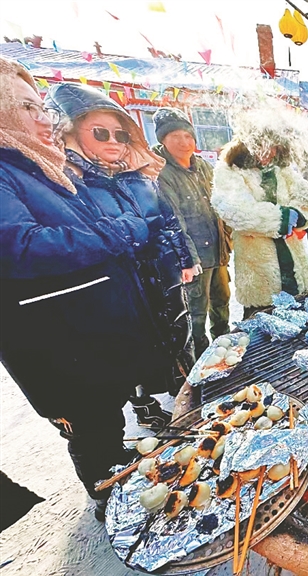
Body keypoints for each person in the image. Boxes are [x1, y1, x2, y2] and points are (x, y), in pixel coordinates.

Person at [0, 57, 160, 519]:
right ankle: (108, 498)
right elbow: (20, 246)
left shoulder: (37, 165)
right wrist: (119, 233)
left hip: (87, 333)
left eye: (42, 108)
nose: (43, 118)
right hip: (54, 341)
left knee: (105, 414)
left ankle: (115, 467)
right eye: (27, 107)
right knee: (88, 425)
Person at [44, 82, 195, 426]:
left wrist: (183, 260)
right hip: (118, 286)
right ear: (69, 131)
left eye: (121, 135)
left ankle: (180, 392)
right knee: (129, 348)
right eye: (100, 133)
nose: (113, 142)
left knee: (170, 337)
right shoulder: (67, 182)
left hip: (159, 277)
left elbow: (168, 220)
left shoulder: (139, 178)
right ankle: (143, 406)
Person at [152, 108, 232, 357]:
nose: (184, 142)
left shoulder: (204, 166)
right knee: (196, 312)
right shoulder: (162, 173)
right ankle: (202, 360)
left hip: (217, 251)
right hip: (194, 258)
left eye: (188, 136)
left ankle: (225, 349)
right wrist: (189, 260)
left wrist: (228, 241)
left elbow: (221, 203)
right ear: (163, 140)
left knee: (222, 302)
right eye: (175, 136)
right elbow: (173, 219)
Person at [212, 135, 308, 317]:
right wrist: (282, 218)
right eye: (263, 145)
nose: (270, 152)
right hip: (257, 267)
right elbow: (236, 211)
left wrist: (298, 214)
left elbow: (304, 194)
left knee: (302, 322)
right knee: (262, 324)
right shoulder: (230, 170)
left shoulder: (281, 168)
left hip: (293, 263)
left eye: (274, 146)